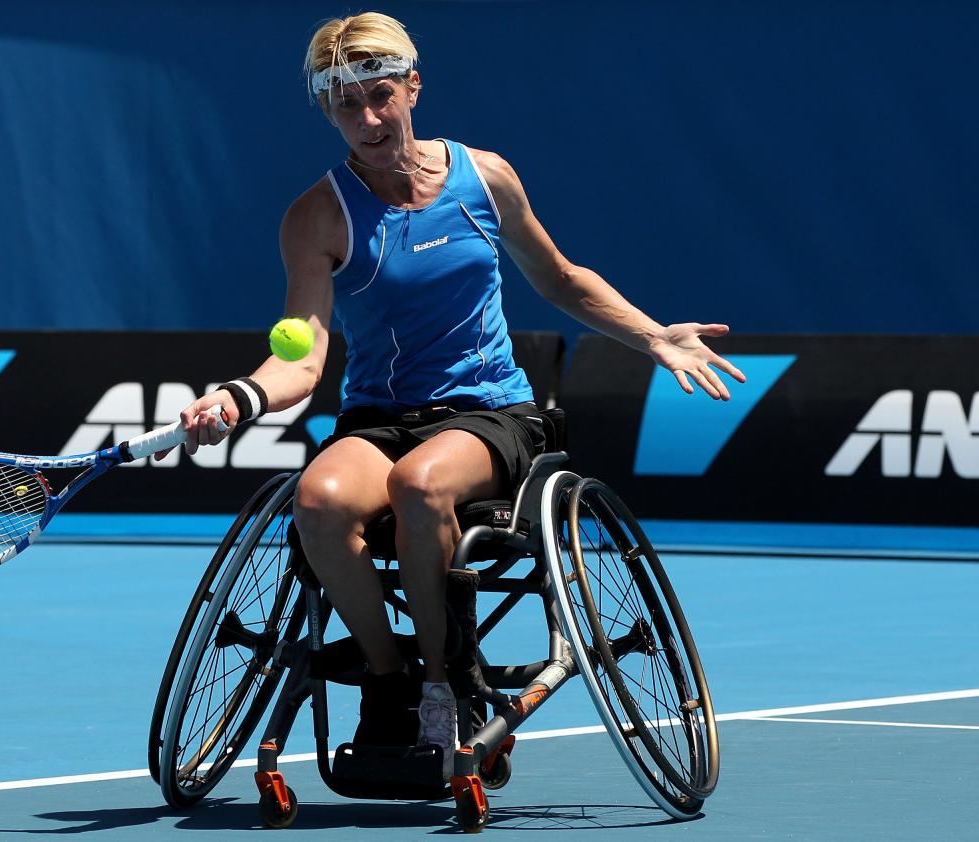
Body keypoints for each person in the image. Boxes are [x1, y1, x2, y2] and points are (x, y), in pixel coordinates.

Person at [176, 11, 746, 779]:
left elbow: (561, 279)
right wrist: (238, 398)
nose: (370, 121)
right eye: (347, 107)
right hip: (378, 419)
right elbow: (303, 359)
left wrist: (652, 337)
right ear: (326, 111)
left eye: (382, 96)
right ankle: (391, 681)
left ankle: (449, 686)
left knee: (420, 484)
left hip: (490, 414)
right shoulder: (315, 217)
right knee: (317, 501)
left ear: (413, 86)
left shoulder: (485, 178)